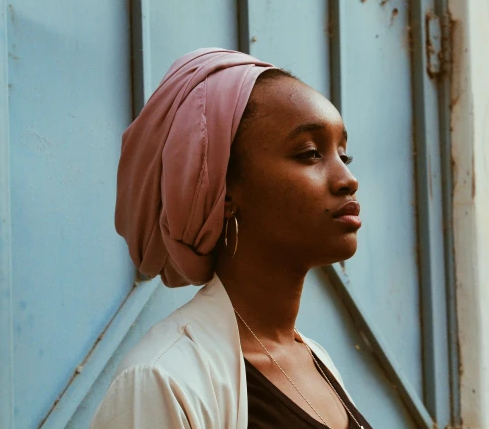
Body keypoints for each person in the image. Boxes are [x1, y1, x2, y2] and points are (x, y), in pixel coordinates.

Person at [91, 48, 372, 429]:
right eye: (310, 153)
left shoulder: (315, 360)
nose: (347, 179)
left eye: (344, 155)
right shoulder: (163, 378)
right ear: (221, 192)